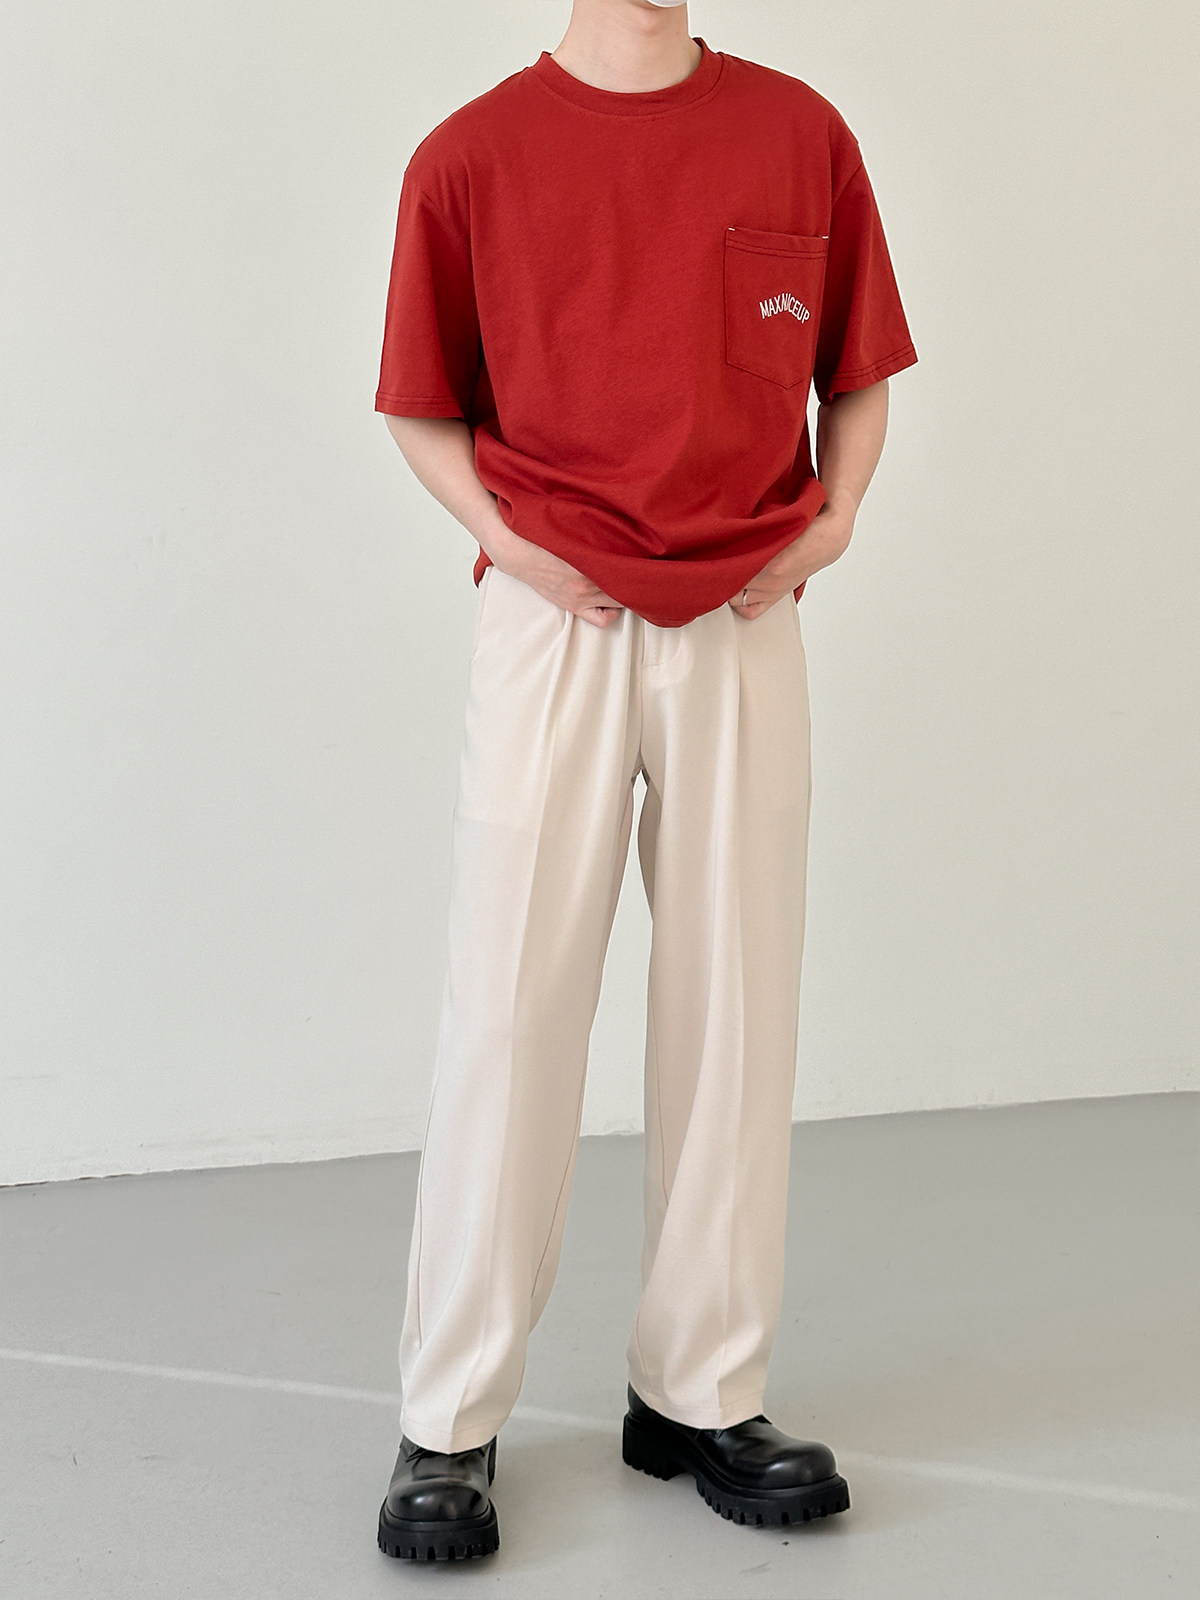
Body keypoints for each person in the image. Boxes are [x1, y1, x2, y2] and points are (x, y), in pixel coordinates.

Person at [373, 0, 917, 1563]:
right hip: (553, 617)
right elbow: (419, 402)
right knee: (511, 1007)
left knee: (736, 1001)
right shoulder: (471, 156)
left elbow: (857, 368)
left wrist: (838, 519)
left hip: (745, 611)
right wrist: (518, 546)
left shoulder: (799, 134)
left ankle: (701, 1390)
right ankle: (447, 1418)